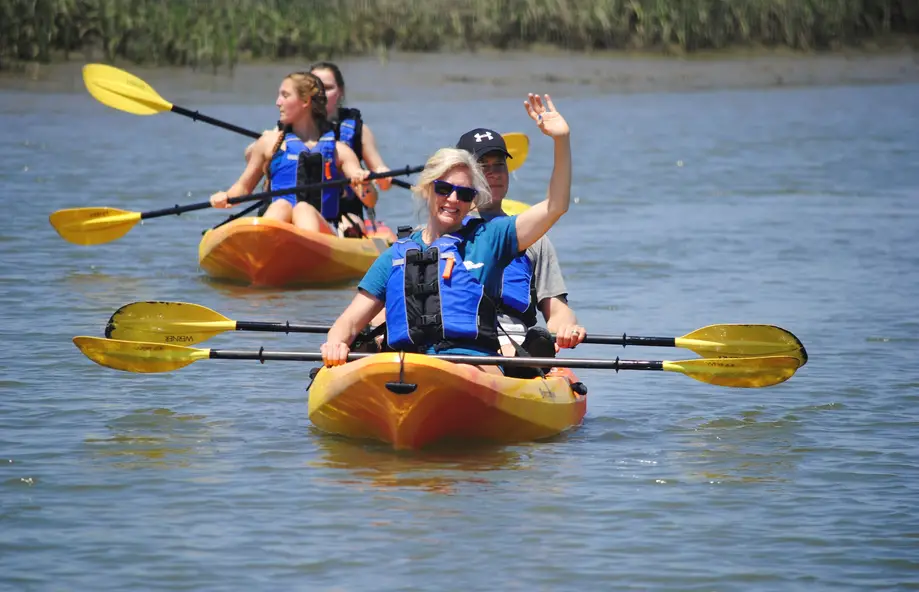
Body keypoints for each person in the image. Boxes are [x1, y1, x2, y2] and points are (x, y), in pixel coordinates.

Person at [321, 93, 571, 373]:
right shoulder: (396, 253)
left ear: (474, 198)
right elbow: (349, 322)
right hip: (412, 363)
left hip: (474, 365)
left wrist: (561, 141)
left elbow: (555, 206)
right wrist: (336, 342)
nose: (453, 199)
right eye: (444, 189)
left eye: (464, 194)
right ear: (428, 190)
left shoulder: (490, 238)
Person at [455, 126, 586, 370]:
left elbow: (557, 310)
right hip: (455, 339)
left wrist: (566, 327)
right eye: (483, 166)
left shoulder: (534, 238)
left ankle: (524, 362)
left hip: (516, 342)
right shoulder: (439, 234)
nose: (493, 173)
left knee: (531, 345)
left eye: (500, 165)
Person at [210, 71, 377, 235]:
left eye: (285, 95)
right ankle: (264, 248)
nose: (278, 102)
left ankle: (307, 253)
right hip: (281, 227)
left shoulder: (339, 151)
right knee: (280, 206)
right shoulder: (269, 143)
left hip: (324, 231)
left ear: (305, 101)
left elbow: (370, 200)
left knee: (303, 210)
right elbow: (243, 187)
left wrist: (364, 183)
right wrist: (225, 196)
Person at [243, 61, 392, 237]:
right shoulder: (283, 132)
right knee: (284, 208)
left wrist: (377, 175)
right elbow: (251, 160)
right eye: (317, 87)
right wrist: (261, 143)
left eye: (327, 88)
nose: (322, 93)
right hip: (285, 210)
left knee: (345, 223)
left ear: (341, 92)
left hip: (340, 212)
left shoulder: (353, 134)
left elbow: (381, 181)